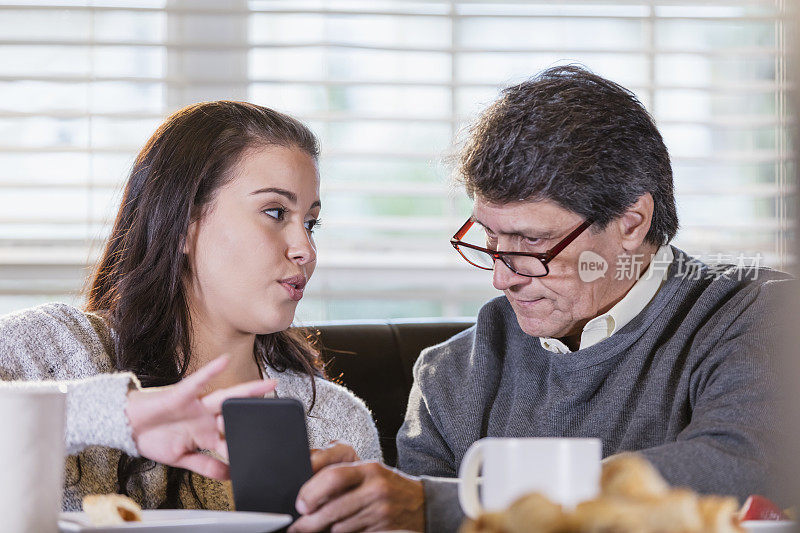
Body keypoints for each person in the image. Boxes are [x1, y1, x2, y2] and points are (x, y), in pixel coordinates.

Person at [287, 66, 792, 533]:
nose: (501, 279)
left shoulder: (761, 317)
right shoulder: (450, 376)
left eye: (531, 242)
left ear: (632, 223)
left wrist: (447, 503)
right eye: (489, 237)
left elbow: (737, 467)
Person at [0, 101, 381, 511]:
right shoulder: (48, 348)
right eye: (274, 212)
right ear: (182, 225)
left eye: (310, 223)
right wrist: (115, 412)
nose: (305, 249)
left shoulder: (336, 421)